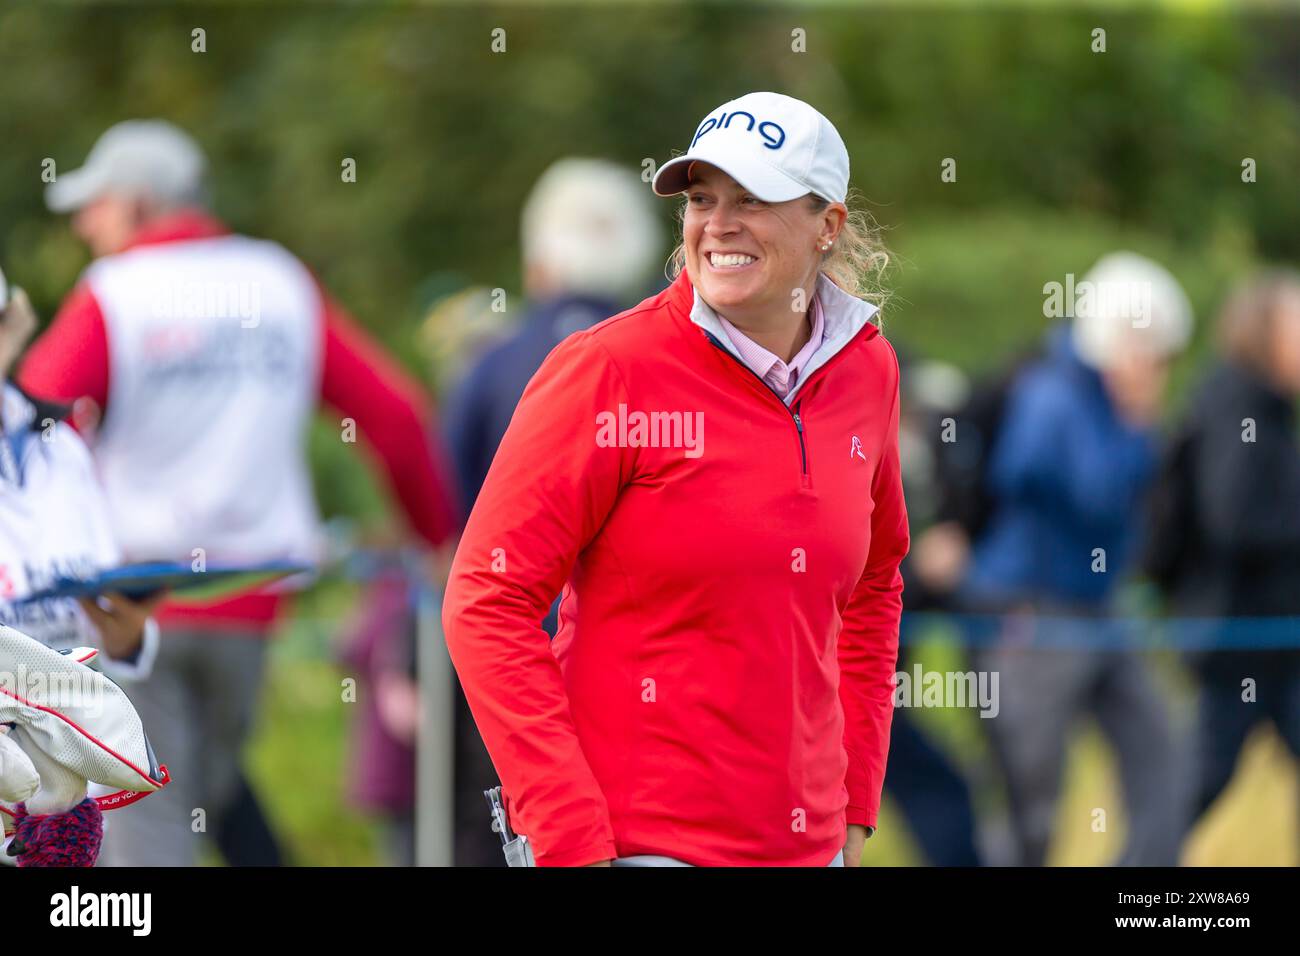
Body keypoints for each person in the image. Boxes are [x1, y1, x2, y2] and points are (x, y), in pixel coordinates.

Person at [442, 91, 908, 867]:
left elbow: (877, 582)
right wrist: (565, 833)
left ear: (827, 225)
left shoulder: (869, 370)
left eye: (752, 199)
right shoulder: (607, 369)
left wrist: (854, 802)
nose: (717, 224)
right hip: (635, 848)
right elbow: (486, 600)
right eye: (700, 199)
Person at [17, 119, 460, 866]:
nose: (85, 223)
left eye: (97, 204)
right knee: (199, 803)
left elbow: (25, 428)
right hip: (253, 600)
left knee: (145, 830)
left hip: (131, 598)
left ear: (139, 203)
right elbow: (394, 413)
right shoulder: (279, 279)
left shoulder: (116, 291)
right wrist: (435, 536)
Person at [441, 158, 662, 865]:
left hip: (506, 661)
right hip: (628, 676)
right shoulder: (668, 362)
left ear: (539, 262)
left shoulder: (492, 362)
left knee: (490, 836)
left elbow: (441, 506)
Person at [959, 252, 1193, 866]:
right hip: (1033, 613)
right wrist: (1136, 429)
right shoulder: (1051, 396)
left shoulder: (1098, 401)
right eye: (1154, 354)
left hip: (1097, 609)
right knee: (1027, 789)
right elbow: (1088, 494)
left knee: (1159, 755)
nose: (1159, 371)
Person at [1148, 272, 1300, 842]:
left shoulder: (1265, 404)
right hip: (1235, 636)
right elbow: (1232, 517)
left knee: (1198, 780)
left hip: (1272, 637)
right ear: (1266, 333)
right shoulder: (1239, 404)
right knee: (1196, 781)